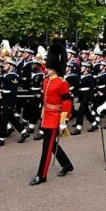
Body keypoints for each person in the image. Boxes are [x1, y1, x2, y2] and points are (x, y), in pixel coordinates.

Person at [30, 41, 73, 185]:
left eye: (50, 66)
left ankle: (41, 175)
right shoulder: (46, 80)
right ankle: (66, 164)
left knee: (46, 147)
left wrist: (63, 121)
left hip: (55, 117)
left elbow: (67, 104)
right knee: (50, 144)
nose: (47, 68)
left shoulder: (62, 83)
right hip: (46, 115)